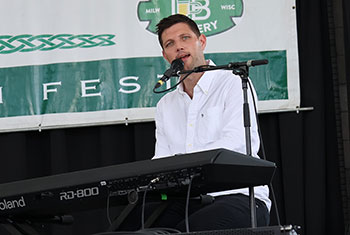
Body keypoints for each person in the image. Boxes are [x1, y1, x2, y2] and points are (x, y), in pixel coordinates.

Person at [119, 14, 270, 232]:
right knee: (132, 224)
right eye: (170, 44)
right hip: (187, 200)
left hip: (238, 196)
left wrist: (182, 164)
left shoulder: (233, 82)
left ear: (202, 41)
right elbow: (161, 160)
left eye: (185, 38)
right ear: (165, 55)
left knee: (195, 227)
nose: (179, 47)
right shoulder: (165, 105)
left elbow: (236, 144)